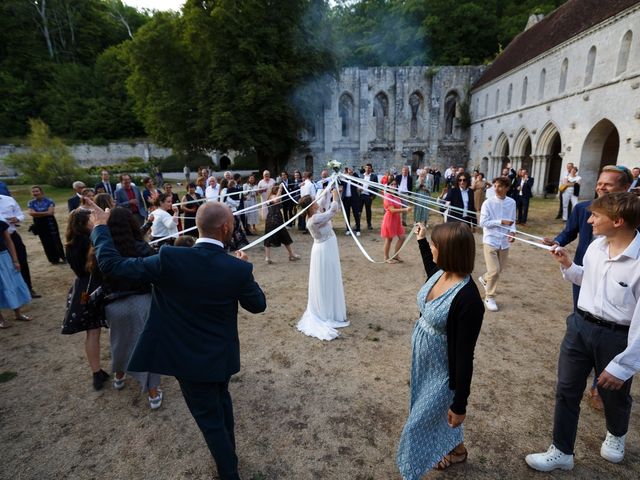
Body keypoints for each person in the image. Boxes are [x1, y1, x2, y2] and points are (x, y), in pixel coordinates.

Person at [89, 199, 266, 480]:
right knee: (219, 407)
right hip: (220, 356)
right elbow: (258, 305)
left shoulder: (169, 258)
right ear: (226, 228)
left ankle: (229, 469)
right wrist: (247, 271)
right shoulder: (237, 269)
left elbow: (112, 265)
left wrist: (100, 228)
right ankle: (228, 460)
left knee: (214, 415)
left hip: (186, 359)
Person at [526, 192, 640, 472]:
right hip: (579, 327)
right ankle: (562, 450)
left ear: (618, 220)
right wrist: (568, 265)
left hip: (617, 337)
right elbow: (585, 277)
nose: (589, 220)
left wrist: (624, 364)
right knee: (566, 389)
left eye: (595, 215)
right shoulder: (597, 247)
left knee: (614, 394)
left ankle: (616, 433)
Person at [397, 222, 484, 477]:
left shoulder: (468, 300)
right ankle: (457, 450)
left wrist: (460, 405)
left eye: (435, 245)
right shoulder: (441, 272)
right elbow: (430, 269)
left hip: (443, 371)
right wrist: (422, 241)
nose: (432, 248)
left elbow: (465, 355)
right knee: (428, 409)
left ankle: (411, 469)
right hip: (423, 362)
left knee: (419, 421)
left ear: (449, 251)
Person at [543, 165, 633, 408]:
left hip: (620, 286)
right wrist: (558, 243)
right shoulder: (583, 209)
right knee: (586, 326)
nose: (601, 187)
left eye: (608, 184)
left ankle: (601, 387)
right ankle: (581, 375)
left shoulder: (633, 216)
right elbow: (569, 232)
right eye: (599, 183)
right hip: (585, 277)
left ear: (625, 189)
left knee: (614, 334)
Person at [89, 207, 163, 408]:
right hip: (143, 303)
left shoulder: (101, 251)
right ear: (131, 224)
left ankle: (119, 377)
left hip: (114, 306)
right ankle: (153, 392)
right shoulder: (142, 248)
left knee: (119, 341)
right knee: (146, 347)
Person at [63, 209, 108, 389]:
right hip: (96, 287)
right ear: (83, 223)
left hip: (82, 288)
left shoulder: (70, 243)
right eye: (91, 219)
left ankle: (96, 372)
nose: (94, 221)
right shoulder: (91, 241)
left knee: (93, 332)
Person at [296, 188, 347, 341]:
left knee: (331, 276)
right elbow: (333, 211)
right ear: (310, 207)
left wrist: (328, 191)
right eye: (313, 202)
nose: (316, 203)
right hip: (324, 249)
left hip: (327, 246)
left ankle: (330, 307)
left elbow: (324, 205)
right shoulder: (314, 219)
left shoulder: (314, 215)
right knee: (327, 277)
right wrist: (335, 194)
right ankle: (326, 311)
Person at [478, 177, 516, 312]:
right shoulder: (487, 203)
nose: (496, 188)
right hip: (490, 240)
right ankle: (489, 297)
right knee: (494, 271)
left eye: (500, 186)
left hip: (504, 242)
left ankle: (484, 278)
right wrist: (500, 222)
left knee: (499, 269)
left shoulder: (511, 202)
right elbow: (482, 223)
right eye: (495, 186)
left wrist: (512, 232)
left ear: (507, 188)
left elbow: (512, 221)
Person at [0, 193, 39, 298]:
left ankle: (28, 288)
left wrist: (17, 219)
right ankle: (7, 295)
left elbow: (20, 214)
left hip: (12, 236)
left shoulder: (9, 200)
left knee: (22, 261)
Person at [0, 216, 32, 329]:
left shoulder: (1, 223)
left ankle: (18, 314)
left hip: (4, 258)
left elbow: (9, 242)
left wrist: (15, 260)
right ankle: (1, 320)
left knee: (12, 284)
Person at [27, 185, 66, 264]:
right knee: (45, 241)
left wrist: (37, 213)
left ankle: (62, 257)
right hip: (39, 224)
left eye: (37, 191)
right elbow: (31, 213)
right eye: (33, 191)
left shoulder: (49, 200)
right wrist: (45, 213)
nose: (35, 193)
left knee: (55, 240)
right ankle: (53, 259)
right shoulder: (31, 202)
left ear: (41, 191)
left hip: (50, 222)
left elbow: (51, 212)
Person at [263, 185, 300, 264]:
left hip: (277, 218)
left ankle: (291, 254)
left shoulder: (275, 196)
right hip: (273, 219)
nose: (280, 192)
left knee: (284, 236)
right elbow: (276, 200)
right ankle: (267, 257)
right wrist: (280, 189)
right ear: (275, 191)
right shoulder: (272, 196)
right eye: (278, 191)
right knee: (270, 237)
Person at [381, 178, 411, 263]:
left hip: (397, 219)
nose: (394, 186)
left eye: (395, 185)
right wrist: (405, 210)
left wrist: (404, 209)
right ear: (388, 186)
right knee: (389, 239)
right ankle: (386, 257)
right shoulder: (388, 196)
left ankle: (396, 255)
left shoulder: (396, 195)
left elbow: (399, 207)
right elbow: (392, 210)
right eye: (392, 184)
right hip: (390, 219)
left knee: (402, 237)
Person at [341, 167, 361, 236]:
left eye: (351, 171)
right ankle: (348, 229)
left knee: (356, 214)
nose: (349, 172)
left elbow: (359, 179)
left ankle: (358, 229)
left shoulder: (354, 178)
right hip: (345, 199)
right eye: (348, 171)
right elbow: (339, 182)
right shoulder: (344, 178)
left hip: (354, 199)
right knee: (347, 214)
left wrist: (353, 172)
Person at [360, 163, 378, 230]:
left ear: (371, 169)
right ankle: (357, 224)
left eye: (369, 168)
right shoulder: (361, 176)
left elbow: (376, 187)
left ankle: (369, 224)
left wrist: (373, 196)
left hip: (368, 196)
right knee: (359, 210)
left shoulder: (374, 176)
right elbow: (358, 184)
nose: (368, 169)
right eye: (366, 167)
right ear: (365, 168)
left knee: (368, 211)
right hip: (361, 196)